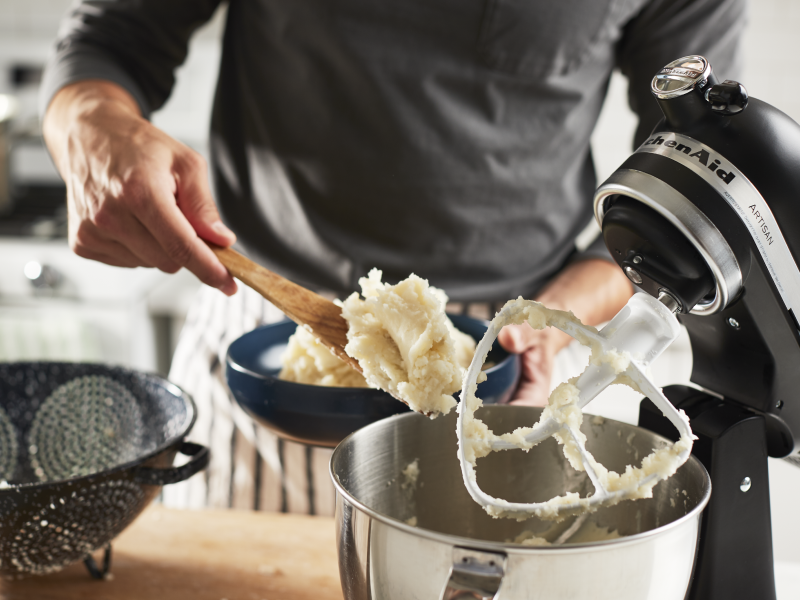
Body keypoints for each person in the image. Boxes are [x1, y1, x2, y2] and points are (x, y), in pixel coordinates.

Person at [40, 0, 746, 513]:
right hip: (266, 341)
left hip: (512, 363)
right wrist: (89, 128)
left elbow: (700, 175)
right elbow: (111, 41)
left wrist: (563, 313)